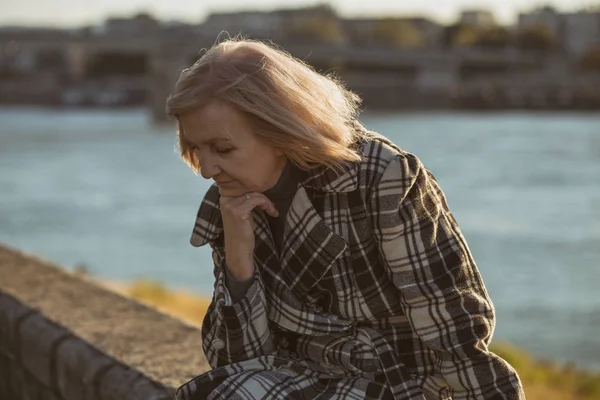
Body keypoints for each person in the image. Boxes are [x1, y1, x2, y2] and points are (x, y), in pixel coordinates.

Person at [166, 38, 525, 400]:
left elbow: (448, 318)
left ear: (279, 128)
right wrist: (238, 262)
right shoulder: (230, 204)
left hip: (398, 381)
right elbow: (234, 364)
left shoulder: (379, 175)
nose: (207, 169)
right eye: (196, 149)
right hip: (299, 378)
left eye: (222, 148)